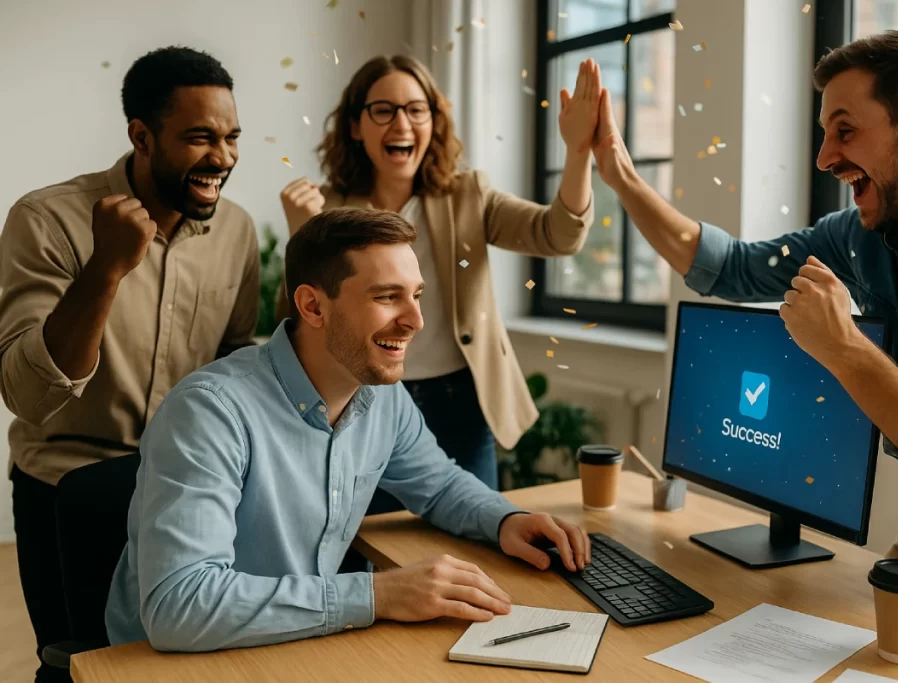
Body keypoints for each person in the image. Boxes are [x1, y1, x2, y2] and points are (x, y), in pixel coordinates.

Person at [589, 30, 898, 601]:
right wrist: (617, 169)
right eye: (825, 134)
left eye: (845, 130)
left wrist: (844, 348)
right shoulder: (861, 235)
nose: (824, 158)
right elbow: (731, 268)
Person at [104, 207, 591, 651]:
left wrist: (504, 520)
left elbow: (438, 485)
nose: (416, 320)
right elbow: (179, 607)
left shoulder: (380, 394)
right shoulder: (210, 414)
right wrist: (378, 595)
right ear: (314, 307)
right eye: (387, 297)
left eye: (416, 296)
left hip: (292, 643)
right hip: (167, 663)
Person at [0, 46, 258, 681]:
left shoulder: (238, 231)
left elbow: (233, 358)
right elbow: (28, 395)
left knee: (181, 666)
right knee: (79, 668)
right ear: (141, 136)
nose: (221, 158)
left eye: (230, 137)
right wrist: (106, 268)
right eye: (199, 138)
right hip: (65, 493)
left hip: (188, 490)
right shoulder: (47, 219)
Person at [277, 54, 598, 506]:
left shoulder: (468, 195)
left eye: (416, 109)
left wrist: (579, 152)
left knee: (475, 535)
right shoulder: (323, 208)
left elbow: (558, 234)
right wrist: (302, 237)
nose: (401, 123)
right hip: (363, 400)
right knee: (366, 544)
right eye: (383, 110)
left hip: (460, 401)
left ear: (434, 120)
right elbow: (298, 319)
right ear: (355, 126)